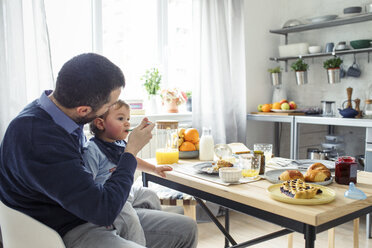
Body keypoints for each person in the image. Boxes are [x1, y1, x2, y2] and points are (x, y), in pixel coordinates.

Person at [0, 53, 198, 248]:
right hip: (62, 229)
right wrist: (130, 151)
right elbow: (103, 210)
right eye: (109, 105)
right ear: (84, 110)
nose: (111, 109)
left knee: (186, 228)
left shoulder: (59, 112)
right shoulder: (40, 139)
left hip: (83, 210)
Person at [83, 100, 172, 246]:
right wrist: (101, 214)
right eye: (120, 118)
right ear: (100, 124)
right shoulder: (92, 150)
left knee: (149, 194)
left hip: (126, 191)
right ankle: (138, 242)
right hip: (111, 199)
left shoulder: (120, 143)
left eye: (128, 119)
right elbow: (88, 184)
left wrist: (154, 169)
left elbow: (132, 159)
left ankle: (153, 228)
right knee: (130, 219)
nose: (127, 123)